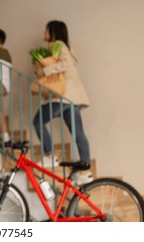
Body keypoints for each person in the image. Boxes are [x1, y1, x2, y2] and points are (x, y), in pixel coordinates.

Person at [33, 20, 92, 185]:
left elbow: (65, 64)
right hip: (73, 97)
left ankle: (50, 155)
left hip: (64, 96)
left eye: (46, 30)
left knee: (37, 121)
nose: (43, 33)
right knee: (78, 133)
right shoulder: (66, 46)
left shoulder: (57, 44)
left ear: (52, 32)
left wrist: (44, 70)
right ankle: (86, 171)